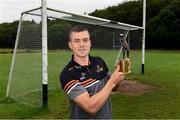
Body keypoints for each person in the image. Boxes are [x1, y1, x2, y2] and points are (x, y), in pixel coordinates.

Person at [59, 25, 125, 119]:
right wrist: (112, 81)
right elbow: (91, 107)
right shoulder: (67, 74)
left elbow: (113, 88)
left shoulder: (99, 61)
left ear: (90, 43)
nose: (82, 44)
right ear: (70, 45)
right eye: (77, 41)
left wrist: (119, 74)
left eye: (85, 40)